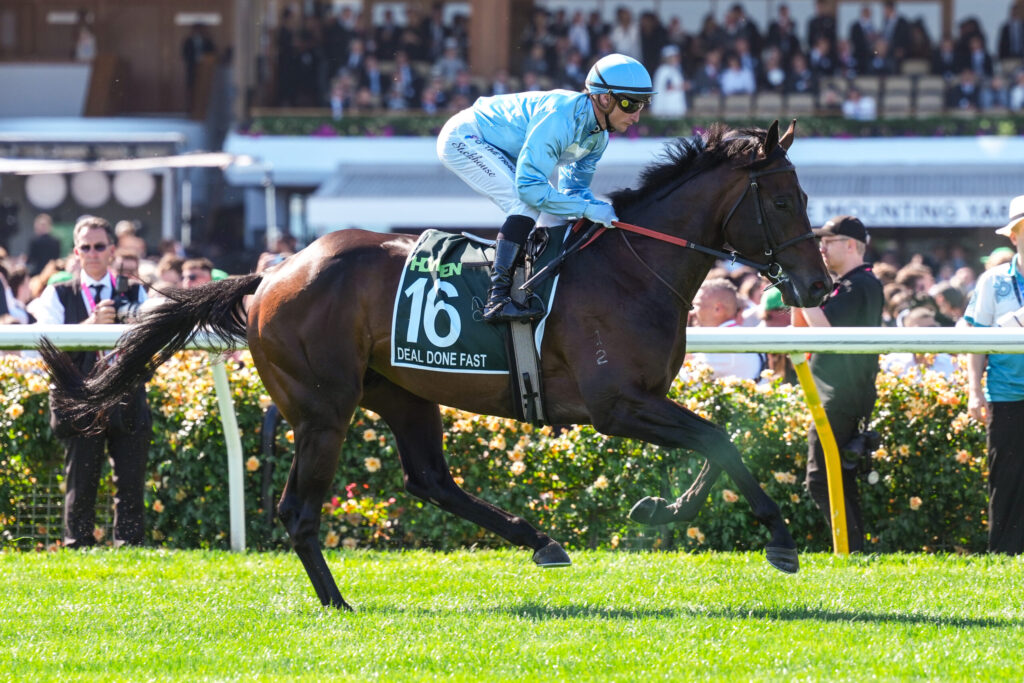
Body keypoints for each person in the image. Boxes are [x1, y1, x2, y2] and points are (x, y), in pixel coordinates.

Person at [437, 53, 655, 322]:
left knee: (550, 206)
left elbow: (573, 194)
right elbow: (531, 190)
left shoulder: (598, 139)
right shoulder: (560, 118)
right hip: (464, 136)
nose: (636, 116)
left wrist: (595, 208)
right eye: (630, 103)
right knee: (526, 202)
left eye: (644, 104)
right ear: (604, 98)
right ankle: (497, 299)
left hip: (497, 145)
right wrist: (587, 208)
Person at [29, 216, 151, 548]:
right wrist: (90, 324)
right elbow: (48, 345)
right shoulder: (56, 294)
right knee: (80, 480)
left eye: (100, 246)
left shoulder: (136, 291)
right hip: (79, 400)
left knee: (130, 479)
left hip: (126, 397)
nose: (93, 252)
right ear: (76, 251)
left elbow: (150, 343)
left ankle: (129, 545)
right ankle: (77, 543)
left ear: (112, 250)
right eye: (86, 247)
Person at [793, 215, 883, 553]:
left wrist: (797, 290)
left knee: (822, 479)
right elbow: (801, 331)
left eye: (828, 242)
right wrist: (796, 293)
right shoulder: (847, 284)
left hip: (841, 394)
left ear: (850, 245)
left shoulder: (858, 284)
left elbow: (826, 333)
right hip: (836, 392)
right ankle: (852, 550)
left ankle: (850, 550)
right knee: (836, 478)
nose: (821, 248)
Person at [965, 194, 1024, 555]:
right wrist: (974, 390)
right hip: (1005, 395)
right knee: (1006, 481)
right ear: (1013, 236)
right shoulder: (993, 281)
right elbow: (975, 339)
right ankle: (1004, 555)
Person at [688, 278, 764, 381]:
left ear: (718, 309)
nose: (692, 312)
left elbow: (681, 377)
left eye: (697, 305)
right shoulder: (736, 337)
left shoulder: (725, 342)